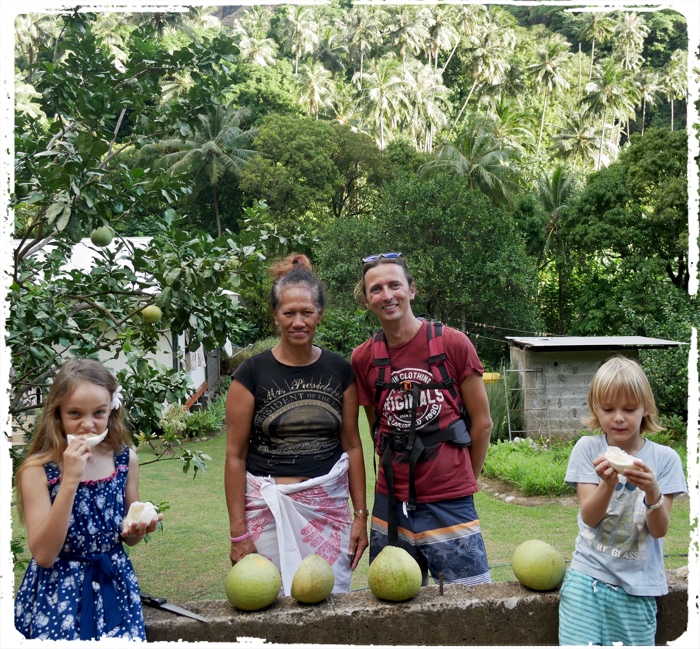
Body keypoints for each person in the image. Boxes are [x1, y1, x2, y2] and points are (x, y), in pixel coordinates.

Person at [225, 254, 368, 595]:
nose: (298, 321)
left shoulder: (340, 370)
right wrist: (238, 534)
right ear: (275, 316)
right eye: (289, 313)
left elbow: (352, 446)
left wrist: (360, 515)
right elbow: (234, 456)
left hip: (329, 511)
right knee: (268, 603)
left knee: (328, 604)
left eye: (307, 312)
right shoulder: (251, 374)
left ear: (320, 313)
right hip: (268, 511)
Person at [350, 252, 492, 586]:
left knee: (469, 604)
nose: (387, 295)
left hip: (450, 501)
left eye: (394, 285)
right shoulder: (364, 358)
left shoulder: (452, 343)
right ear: (367, 300)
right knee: (394, 606)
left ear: (411, 290)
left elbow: (482, 422)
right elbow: (378, 428)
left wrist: (463, 481)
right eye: (376, 289)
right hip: (390, 504)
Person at [14, 358, 162, 641]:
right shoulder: (37, 470)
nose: (87, 424)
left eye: (99, 413)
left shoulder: (124, 460)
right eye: (74, 413)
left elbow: (127, 535)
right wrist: (70, 479)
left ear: (111, 411)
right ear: (57, 414)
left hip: (114, 584)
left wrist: (138, 530)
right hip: (57, 592)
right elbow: (44, 556)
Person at [558, 355, 687, 646]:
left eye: (629, 409)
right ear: (595, 409)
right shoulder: (587, 449)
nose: (618, 417)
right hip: (585, 582)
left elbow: (659, 530)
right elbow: (589, 518)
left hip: (638, 589)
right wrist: (607, 484)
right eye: (608, 408)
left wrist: (653, 491)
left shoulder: (665, 460)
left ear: (645, 409)